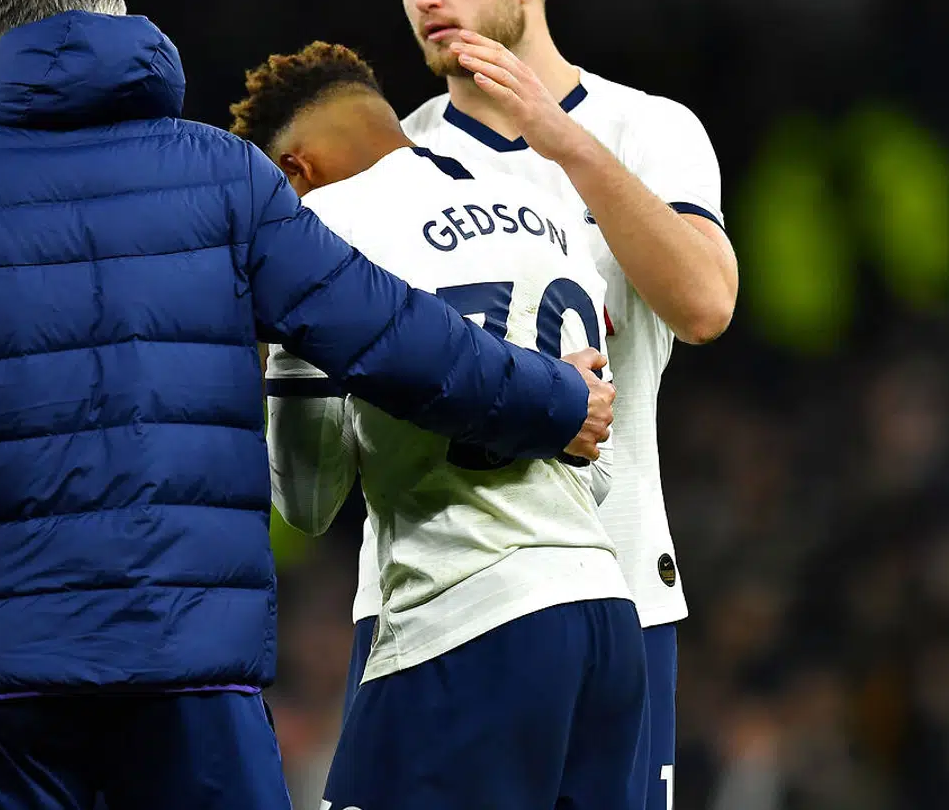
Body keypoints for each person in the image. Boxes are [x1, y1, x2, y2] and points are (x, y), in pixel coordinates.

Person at [0, 0, 614, 809]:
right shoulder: (223, 175)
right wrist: (553, 397)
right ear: (125, 35)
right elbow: (388, 332)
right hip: (189, 666)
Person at [341, 0, 741, 810]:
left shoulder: (649, 130)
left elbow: (705, 305)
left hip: (619, 591)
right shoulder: (387, 164)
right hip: (427, 603)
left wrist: (558, 139)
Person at [229, 42, 647, 810]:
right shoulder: (544, 204)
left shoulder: (324, 226)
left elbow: (310, 499)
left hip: (467, 622)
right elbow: (597, 454)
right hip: (604, 622)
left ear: (294, 171)